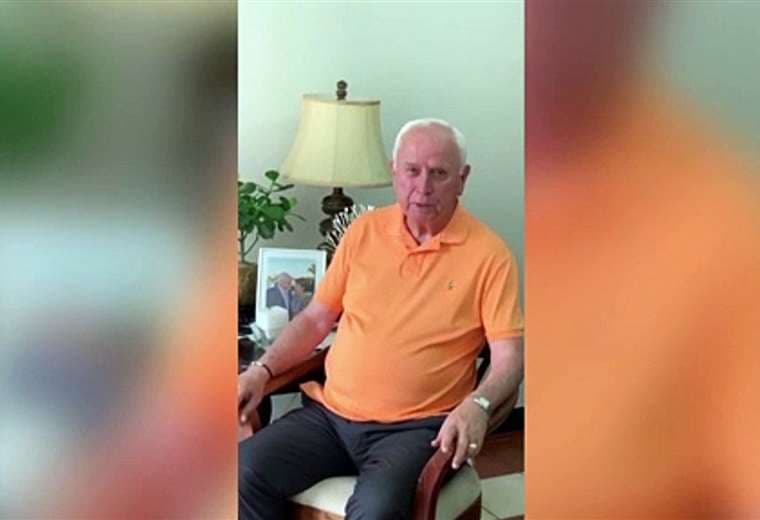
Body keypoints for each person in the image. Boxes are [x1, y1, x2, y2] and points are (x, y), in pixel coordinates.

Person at [238, 118, 524, 519]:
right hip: (330, 417)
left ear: (462, 179)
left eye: (439, 173)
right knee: (243, 471)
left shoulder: (490, 256)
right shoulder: (363, 231)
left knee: (376, 511)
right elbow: (316, 319)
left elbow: (509, 357)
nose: (423, 186)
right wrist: (261, 370)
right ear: (394, 172)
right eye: (412, 170)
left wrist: (478, 403)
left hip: (418, 429)